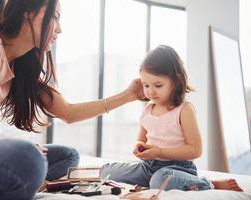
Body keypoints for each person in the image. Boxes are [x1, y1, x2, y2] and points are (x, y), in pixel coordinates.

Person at [0, 0, 144, 199]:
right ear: (28, 12)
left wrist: (128, 96)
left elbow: (68, 112)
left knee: (67, 156)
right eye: (55, 17)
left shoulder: (19, 65)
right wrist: (22, 157)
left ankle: (25, 177)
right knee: (27, 157)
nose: (59, 29)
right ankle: (26, 176)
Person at [101, 45, 243, 192]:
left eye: (158, 85)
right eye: (146, 85)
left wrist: (160, 152)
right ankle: (153, 181)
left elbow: (195, 150)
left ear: (176, 81)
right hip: (148, 166)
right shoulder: (147, 109)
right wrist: (139, 147)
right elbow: (141, 139)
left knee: (160, 179)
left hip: (177, 168)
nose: (150, 91)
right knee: (106, 171)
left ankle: (207, 183)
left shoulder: (184, 109)